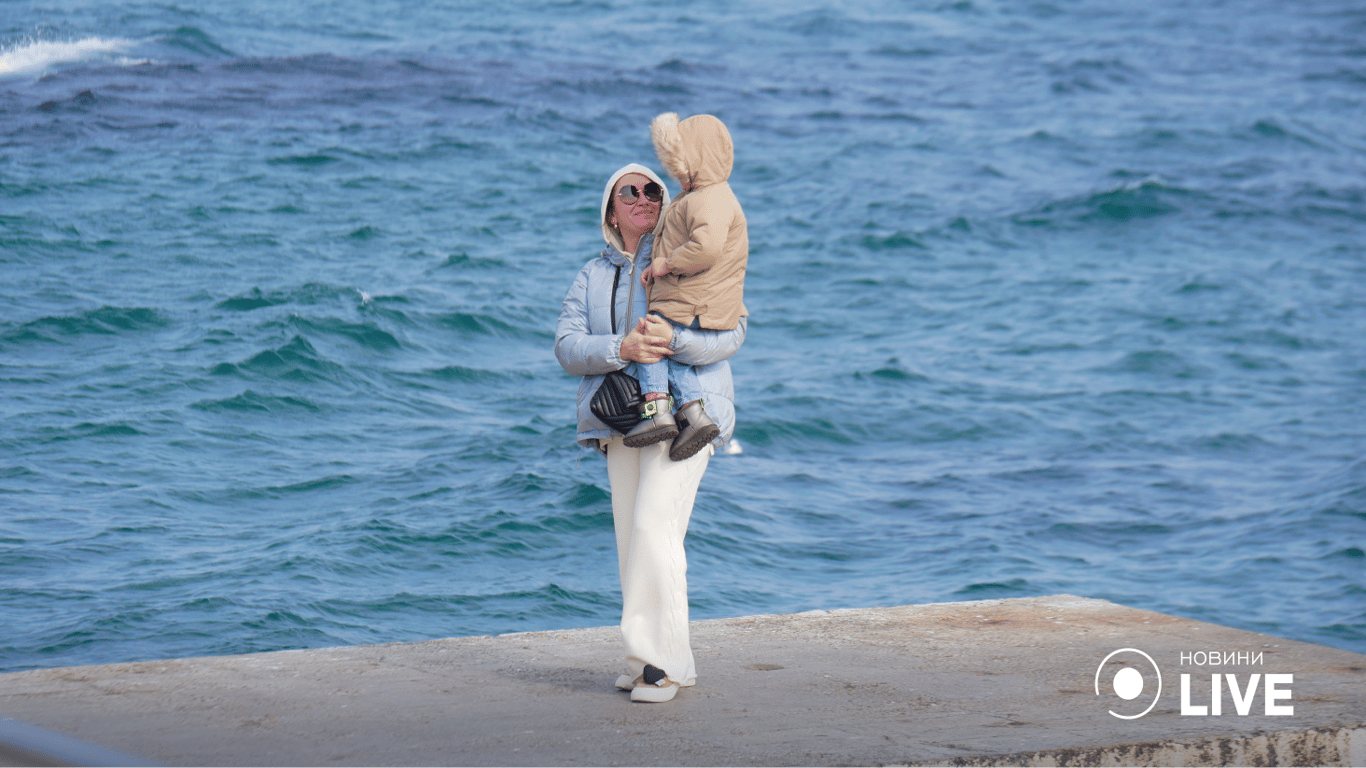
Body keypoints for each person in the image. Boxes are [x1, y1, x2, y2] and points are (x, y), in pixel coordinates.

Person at [554, 162, 746, 703]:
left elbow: (733, 332)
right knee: (639, 540)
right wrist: (622, 349)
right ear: (611, 210)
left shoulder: (688, 258)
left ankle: (653, 666)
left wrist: (672, 344)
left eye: (652, 189)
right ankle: (669, 660)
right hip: (623, 421)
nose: (642, 198)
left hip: (691, 418)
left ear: (665, 201)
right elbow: (567, 346)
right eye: (628, 192)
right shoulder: (591, 275)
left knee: (652, 528)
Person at [623, 113, 749, 463]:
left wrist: (666, 263)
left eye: (679, 164)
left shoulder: (709, 199)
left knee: (652, 343)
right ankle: (693, 415)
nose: (675, 172)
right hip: (696, 300)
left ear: (698, 158)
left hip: (694, 301)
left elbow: (706, 249)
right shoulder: (705, 196)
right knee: (671, 357)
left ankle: (657, 414)